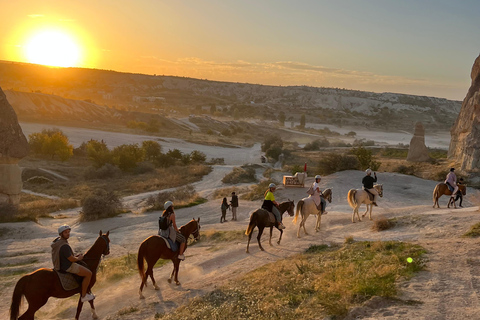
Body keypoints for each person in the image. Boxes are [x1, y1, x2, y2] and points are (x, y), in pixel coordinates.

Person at [51, 225, 95, 303]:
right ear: (61, 234)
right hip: (68, 266)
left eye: (68, 232)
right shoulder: (64, 246)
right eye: (65, 232)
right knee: (89, 273)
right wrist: (78, 258)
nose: (68, 234)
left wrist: (74, 257)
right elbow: (71, 259)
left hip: (59, 265)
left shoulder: (57, 242)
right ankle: (84, 296)